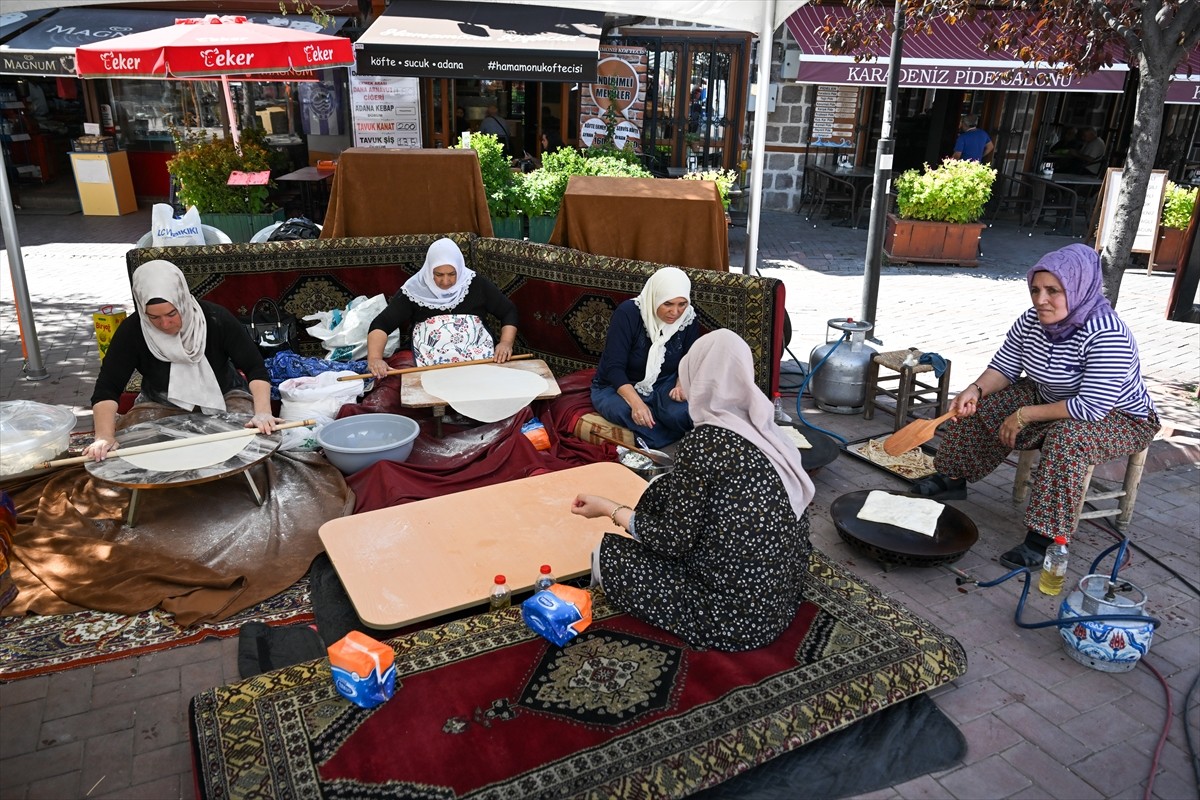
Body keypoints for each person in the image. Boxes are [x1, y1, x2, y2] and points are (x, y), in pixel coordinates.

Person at [911, 244, 1158, 569]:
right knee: (984, 404)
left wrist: (1024, 415)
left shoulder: (1107, 334)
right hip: (1051, 397)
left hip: (1119, 417)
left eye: (1053, 291)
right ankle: (953, 478)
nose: (1041, 299)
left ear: (1079, 288)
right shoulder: (1031, 321)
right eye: (1035, 290)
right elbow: (1004, 367)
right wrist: (974, 389)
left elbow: (1092, 407)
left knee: (1067, 440)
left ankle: (1044, 540)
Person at [571, 329, 815, 651]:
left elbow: (673, 541)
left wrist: (609, 508)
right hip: (778, 601)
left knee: (608, 554)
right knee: (664, 489)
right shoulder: (768, 430)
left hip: (735, 620)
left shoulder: (703, 444)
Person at [85, 260, 280, 461]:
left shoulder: (216, 319)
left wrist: (263, 413)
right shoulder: (133, 330)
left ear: (183, 301)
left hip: (225, 396)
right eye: (154, 317)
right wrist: (103, 436)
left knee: (247, 446)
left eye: (172, 313)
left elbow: (254, 367)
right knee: (138, 453)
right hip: (160, 403)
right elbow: (108, 386)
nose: (165, 324)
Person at [366, 238, 519, 377]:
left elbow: (508, 311)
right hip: (426, 359)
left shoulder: (475, 284)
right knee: (397, 383)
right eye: (439, 275)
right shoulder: (414, 290)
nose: (446, 281)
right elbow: (381, 324)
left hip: (477, 356)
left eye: (452, 274)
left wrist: (506, 343)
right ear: (429, 270)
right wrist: (375, 358)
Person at [591, 267, 700, 449]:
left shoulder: (688, 318)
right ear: (655, 297)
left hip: (664, 382)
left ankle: (664, 427)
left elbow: (689, 358)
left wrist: (681, 385)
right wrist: (636, 403)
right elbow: (614, 368)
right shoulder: (628, 313)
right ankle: (668, 433)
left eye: (682, 304)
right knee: (637, 417)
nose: (675, 312)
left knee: (681, 414)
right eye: (668, 304)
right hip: (618, 385)